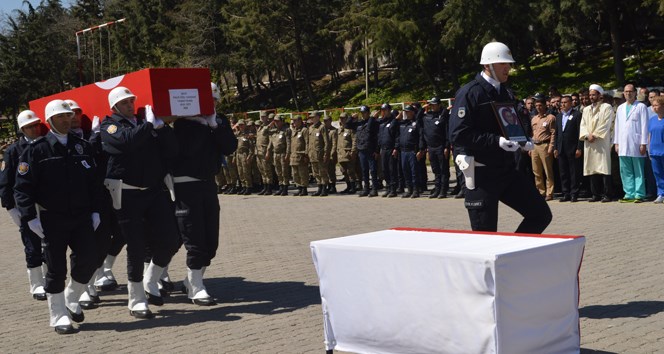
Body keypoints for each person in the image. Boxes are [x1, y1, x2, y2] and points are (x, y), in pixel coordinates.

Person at [14, 100, 101, 334]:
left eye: (69, 115)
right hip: (52, 219)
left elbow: (93, 182)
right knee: (56, 268)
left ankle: (72, 296)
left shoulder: (82, 146)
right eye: (61, 116)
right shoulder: (36, 150)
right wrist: (29, 217)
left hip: (82, 216)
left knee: (91, 258)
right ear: (50, 120)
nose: (67, 119)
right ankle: (58, 314)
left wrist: (95, 210)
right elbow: (22, 188)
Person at [448, 41, 551, 233]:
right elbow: (458, 134)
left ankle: (513, 257)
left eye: (509, 63)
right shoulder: (470, 93)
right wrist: (497, 141)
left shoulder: (505, 92)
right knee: (485, 234)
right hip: (480, 173)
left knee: (541, 214)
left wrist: (522, 140)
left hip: (505, 170)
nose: (508, 68)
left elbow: (509, 123)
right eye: (503, 63)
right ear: (487, 65)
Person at [100, 87, 180, 319]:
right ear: (114, 107)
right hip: (127, 194)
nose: (129, 105)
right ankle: (136, 299)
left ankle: (151, 279)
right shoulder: (110, 126)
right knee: (135, 246)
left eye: (131, 101)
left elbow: (172, 150)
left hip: (153, 191)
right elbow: (127, 142)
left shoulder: (147, 122)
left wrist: (162, 128)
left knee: (170, 238)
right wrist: (148, 125)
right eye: (124, 103)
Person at [172, 99, 237, 306]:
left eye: (216, 100)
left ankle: (190, 281)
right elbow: (189, 150)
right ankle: (196, 287)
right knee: (195, 239)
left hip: (208, 183)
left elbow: (229, 147)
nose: (214, 104)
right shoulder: (181, 124)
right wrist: (201, 125)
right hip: (186, 185)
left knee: (211, 242)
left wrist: (215, 126)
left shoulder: (216, 121)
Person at [0, 110, 47, 302]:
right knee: (32, 245)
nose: (34, 129)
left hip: (46, 205)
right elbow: (5, 182)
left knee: (49, 244)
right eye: (29, 126)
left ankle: (49, 279)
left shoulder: (46, 145)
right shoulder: (13, 151)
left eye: (36, 125)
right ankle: (36, 284)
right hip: (25, 207)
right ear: (22, 129)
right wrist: (10, 208)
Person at [614, 84, 649, 203]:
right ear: (623, 93)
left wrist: (643, 143)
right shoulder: (620, 108)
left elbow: (645, 126)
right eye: (626, 91)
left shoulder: (641, 107)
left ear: (635, 93)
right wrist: (616, 143)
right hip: (623, 143)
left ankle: (639, 193)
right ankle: (629, 193)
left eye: (630, 91)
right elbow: (617, 126)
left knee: (638, 169)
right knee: (625, 170)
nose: (628, 93)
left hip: (636, 143)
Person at [579, 84, 615, 203]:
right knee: (591, 167)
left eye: (594, 94)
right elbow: (583, 125)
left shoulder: (607, 107)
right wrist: (586, 135)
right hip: (589, 142)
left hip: (601, 141)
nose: (591, 97)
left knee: (604, 167)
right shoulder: (586, 109)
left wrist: (594, 135)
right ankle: (595, 194)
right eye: (590, 95)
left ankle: (607, 194)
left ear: (600, 95)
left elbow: (606, 124)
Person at [553, 95, 584, 202]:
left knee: (573, 172)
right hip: (561, 148)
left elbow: (580, 132)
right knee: (563, 172)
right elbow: (557, 134)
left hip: (572, 148)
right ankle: (565, 193)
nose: (563, 104)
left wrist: (579, 148)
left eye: (565, 102)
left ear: (571, 103)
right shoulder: (558, 116)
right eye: (562, 103)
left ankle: (574, 193)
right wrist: (555, 148)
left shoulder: (577, 115)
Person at [420, 97, 450, 198]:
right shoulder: (428, 116)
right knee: (436, 170)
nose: (432, 107)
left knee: (443, 170)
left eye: (434, 104)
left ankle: (443, 190)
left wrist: (447, 146)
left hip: (441, 147)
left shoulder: (443, 116)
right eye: (431, 105)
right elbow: (417, 118)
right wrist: (423, 108)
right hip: (431, 147)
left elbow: (447, 132)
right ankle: (437, 189)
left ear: (439, 105)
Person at [530, 97, 557, 200]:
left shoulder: (550, 118)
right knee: (536, 171)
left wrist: (551, 146)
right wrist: (530, 147)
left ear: (545, 105)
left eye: (540, 105)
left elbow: (553, 133)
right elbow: (533, 133)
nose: (538, 108)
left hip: (545, 145)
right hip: (535, 146)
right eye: (536, 106)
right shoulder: (534, 118)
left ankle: (549, 192)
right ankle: (541, 191)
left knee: (548, 170)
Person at [396, 105, 423, 198]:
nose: (406, 113)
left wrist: (421, 150)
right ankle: (409, 189)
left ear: (413, 112)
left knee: (414, 171)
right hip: (403, 151)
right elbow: (393, 128)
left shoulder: (416, 123)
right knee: (405, 171)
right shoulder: (403, 123)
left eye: (408, 111)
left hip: (412, 151)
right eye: (405, 112)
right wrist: (396, 118)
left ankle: (416, 190)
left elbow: (420, 137)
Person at [352, 105, 380, 197]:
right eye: (362, 113)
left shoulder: (373, 122)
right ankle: (366, 188)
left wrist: (376, 150)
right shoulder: (359, 123)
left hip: (370, 150)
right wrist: (351, 118)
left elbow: (376, 137)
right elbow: (348, 125)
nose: (363, 115)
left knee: (373, 170)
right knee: (364, 170)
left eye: (364, 113)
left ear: (368, 113)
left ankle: (374, 189)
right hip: (361, 149)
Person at [377, 103, 399, 197]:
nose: (383, 112)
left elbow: (397, 136)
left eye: (385, 110)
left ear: (389, 110)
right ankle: (388, 187)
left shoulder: (394, 121)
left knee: (391, 169)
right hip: (383, 149)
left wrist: (396, 148)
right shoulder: (381, 122)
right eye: (382, 110)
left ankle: (393, 189)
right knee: (384, 169)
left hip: (391, 149)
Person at [307, 112, 331, 196]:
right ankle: (319, 188)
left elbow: (326, 142)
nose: (311, 118)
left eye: (313, 117)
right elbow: (308, 142)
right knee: (315, 172)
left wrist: (326, 154)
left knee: (322, 172)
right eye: (311, 117)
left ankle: (324, 188)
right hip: (312, 154)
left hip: (320, 154)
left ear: (317, 117)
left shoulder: (322, 127)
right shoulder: (310, 128)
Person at [267, 115, 291, 196]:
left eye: (277, 121)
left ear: (281, 121)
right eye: (275, 121)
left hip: (282, 153)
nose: (276, 123)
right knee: (278, 172)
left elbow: (288, 143)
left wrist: (287, 154)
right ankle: (280, 187)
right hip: (275, 153)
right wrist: (269, 125)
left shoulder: (286, 130)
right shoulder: (274, 131)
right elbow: (265, 134)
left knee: (284, 171)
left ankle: (285, 188)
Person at [648, 96, 664, 203]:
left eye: (656, 105)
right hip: (654, 151)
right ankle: (661, 194)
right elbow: (650, 135)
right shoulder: (652, 120)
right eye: (653, 105)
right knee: (657, 174)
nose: (654, 108)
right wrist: (649, 149)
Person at [336, 112, 358, 194]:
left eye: (343, 118)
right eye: (340, 118)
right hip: (341, 154)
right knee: (344, 171)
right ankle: (348, 186)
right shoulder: (339, 129)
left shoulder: (350, 129)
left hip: (348, 153)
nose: (342, 120)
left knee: (350, 171)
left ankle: (353, 187)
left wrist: (353, 151)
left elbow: (354, 141)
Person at [255, 112, 274, 195]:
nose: (262, 118)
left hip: (264, 151)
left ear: (267, 117)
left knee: (267, 170)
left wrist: (268, 151)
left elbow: (270, 140)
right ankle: (265, 187)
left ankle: (269, 188)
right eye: (261, 117)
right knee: (262, 170)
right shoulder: (260, 127)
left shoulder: (269, 127)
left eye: (264, 117)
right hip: (258, 152)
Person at [290, 115, 309, 196]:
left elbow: (307, 142)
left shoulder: (304, 130)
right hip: (294, 155)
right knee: (295, 173)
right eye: (293, 121)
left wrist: (306, 154)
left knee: (302, 173)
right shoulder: (293, 130)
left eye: (295, 121)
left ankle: (304, 189)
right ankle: (299, 188)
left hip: (301, 155)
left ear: (300, 121)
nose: (293, 122)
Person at [234, 120, 254, 195]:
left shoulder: (248, 134)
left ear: (245, 125)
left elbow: (251, 147)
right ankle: (243, 186)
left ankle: (249, 187)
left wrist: (249, 156)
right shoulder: (238, 134)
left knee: (246, 172)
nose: (240, 126)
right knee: (240, 172)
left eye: (242, 125)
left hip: (245, 154)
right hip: (238, 154)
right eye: (239, 125)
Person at [323, 114, 338, 194]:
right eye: (324, 121)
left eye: (326, 121)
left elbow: (334, 144)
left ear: (330, 121)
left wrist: (332, 154)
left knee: (331, 171)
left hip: (331, 154)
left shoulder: (333, 131)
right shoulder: (324, 130)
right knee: (325, 171)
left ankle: (333, 186)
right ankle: (328, 185)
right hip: (325, 154)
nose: (325, 122)